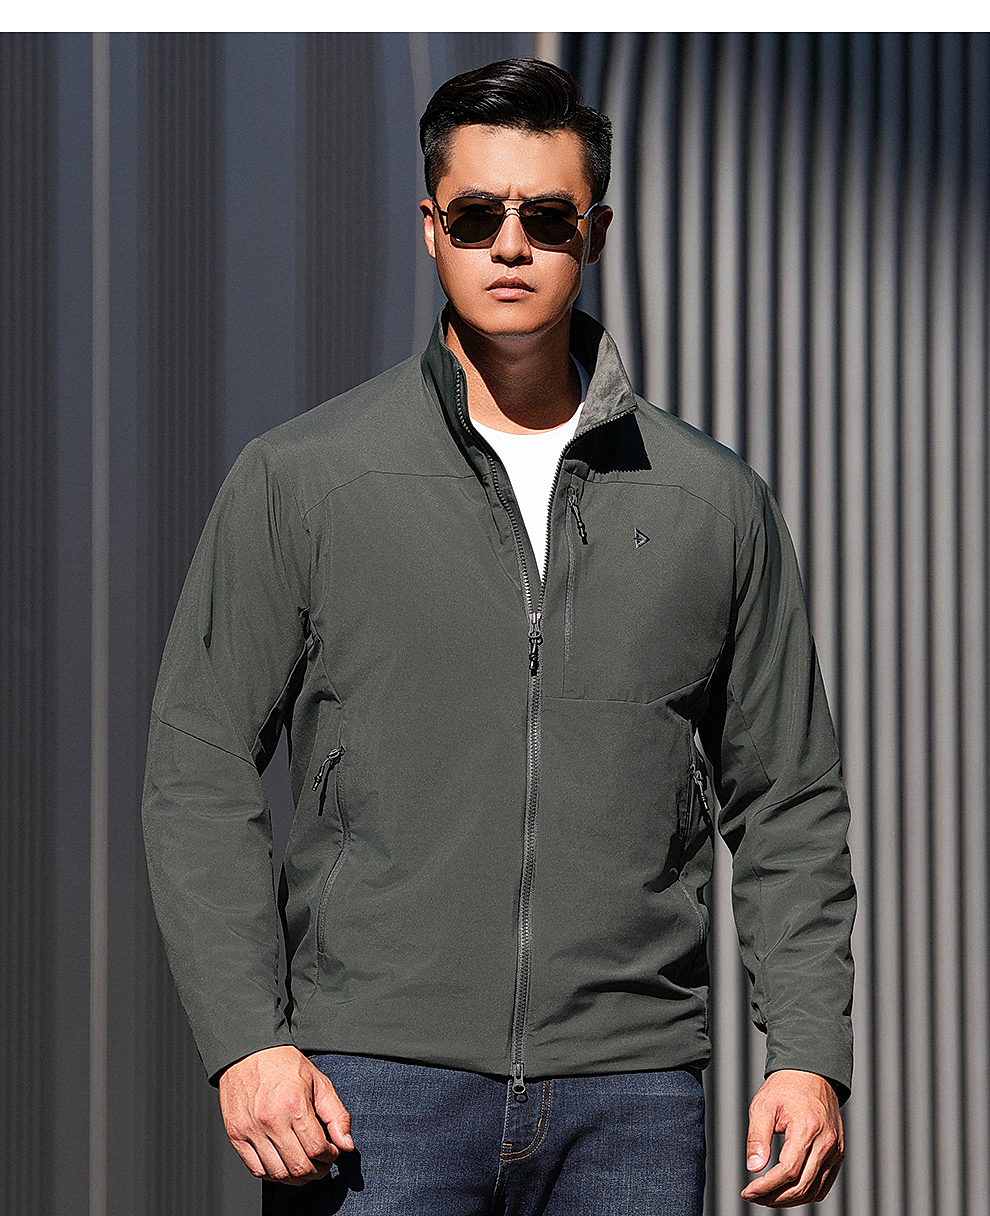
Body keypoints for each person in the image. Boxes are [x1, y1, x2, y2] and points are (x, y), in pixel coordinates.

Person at [143, 58, 854, 1214]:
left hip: (631, 1094)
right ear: (431, 228)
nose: (510, 246)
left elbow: (789, 800)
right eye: (477, 216)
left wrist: (810, 1049)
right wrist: (246, 1040)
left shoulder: (709, 500)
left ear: (596, 232)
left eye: (547, 218)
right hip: (371, 1087)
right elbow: (198, 767)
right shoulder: (306, 479)